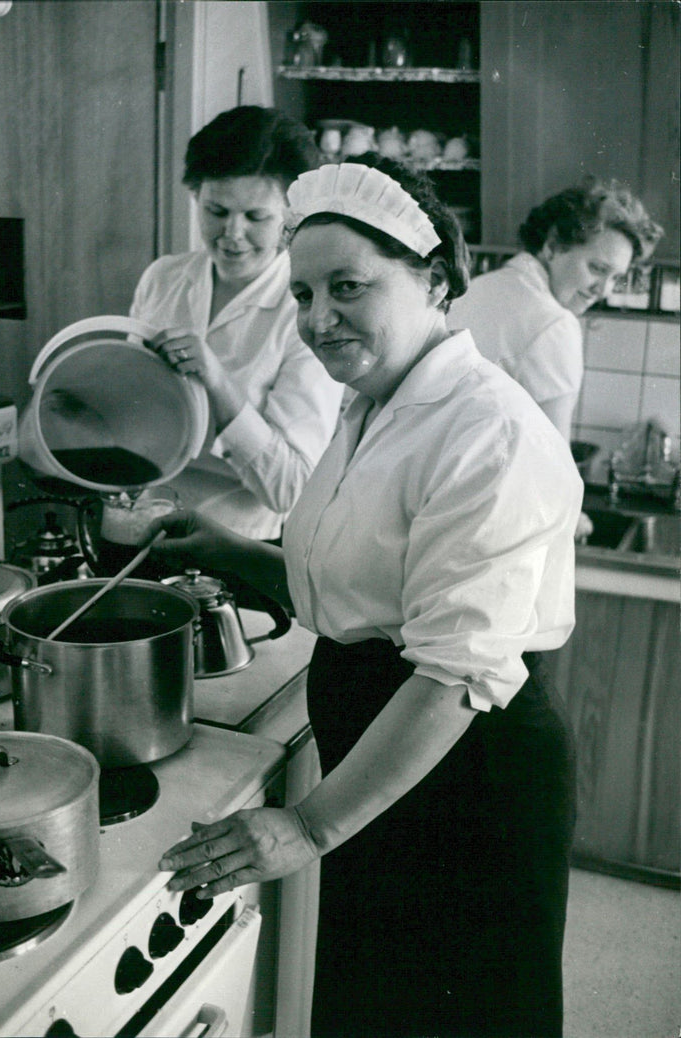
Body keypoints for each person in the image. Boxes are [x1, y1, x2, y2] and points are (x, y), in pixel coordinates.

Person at [151, 155, 583, 1037]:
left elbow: (453, 672)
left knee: (456, 1013)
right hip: (385, 752)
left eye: (347, 286)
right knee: (375, 1003)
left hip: (466, 769)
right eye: (303, 295)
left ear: (434, 280)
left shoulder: (487, 430)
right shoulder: (374, 401)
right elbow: (364, 590)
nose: (318, 319)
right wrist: (232, 550)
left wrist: (308, 827)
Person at [128, 105, 344, 541]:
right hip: (143, 529)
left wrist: (216, 382)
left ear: (292, 215)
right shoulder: (164, 278)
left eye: (255, 217)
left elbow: (291, 488)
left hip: (242, 550)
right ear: (195, 197)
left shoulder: (309, 309)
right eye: (216, 211)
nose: (232, 233)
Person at [448, 178, 663, 443]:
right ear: (552, 246)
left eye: (615, 278)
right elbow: (554, 460)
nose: (604, 290)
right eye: (597, 268)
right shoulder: (554, 325)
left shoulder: (477, 289)